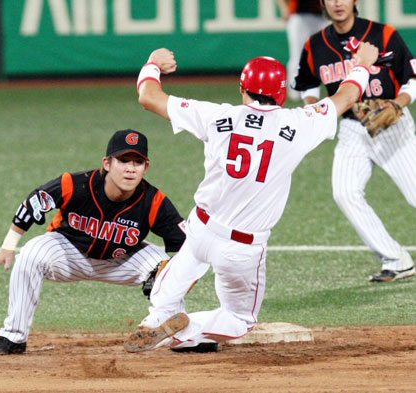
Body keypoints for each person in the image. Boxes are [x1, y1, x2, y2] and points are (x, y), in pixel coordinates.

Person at [123, 40, 379, 353]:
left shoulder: (217, 116)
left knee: (179, 274)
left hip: (201, 228)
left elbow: (148, 96)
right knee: (239, 319)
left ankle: (157, 318)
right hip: (241, 248)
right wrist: (362, 65)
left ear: (243, 89)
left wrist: (152, 62)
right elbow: (345, 97)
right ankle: (189, 328)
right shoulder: (298, 125)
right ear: (281, 93)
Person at [0, 129, 186, 354]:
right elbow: (35, 202)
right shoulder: (76, 184)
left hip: (122, 261)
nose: (130, 168)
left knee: (165, 267)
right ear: (107, 163)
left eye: (138, 162)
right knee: (31, 254)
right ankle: (13, 337)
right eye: (123, 160)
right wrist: (8, 246)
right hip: (68, 253)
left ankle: (182, 336)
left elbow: (185, 246)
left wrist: (172, 279)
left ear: (145, 168)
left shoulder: (154, 200)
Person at [293, 0, 416, 282]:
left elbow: (411, 78)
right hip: (351, 128)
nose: (338, 2)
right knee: (345, 192)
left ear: (355, 1)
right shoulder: (316, 45)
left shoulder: (383, 35)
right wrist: (314, 106)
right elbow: (308, 84)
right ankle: (396, 260)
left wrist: (398, 104)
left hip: (392, 126)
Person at [275, 0, 327, 101]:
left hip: (319, 17)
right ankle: (295, 91)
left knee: (316, 57)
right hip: (299, 16)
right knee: (297, 55)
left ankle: (312, 90)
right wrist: (284, 8)